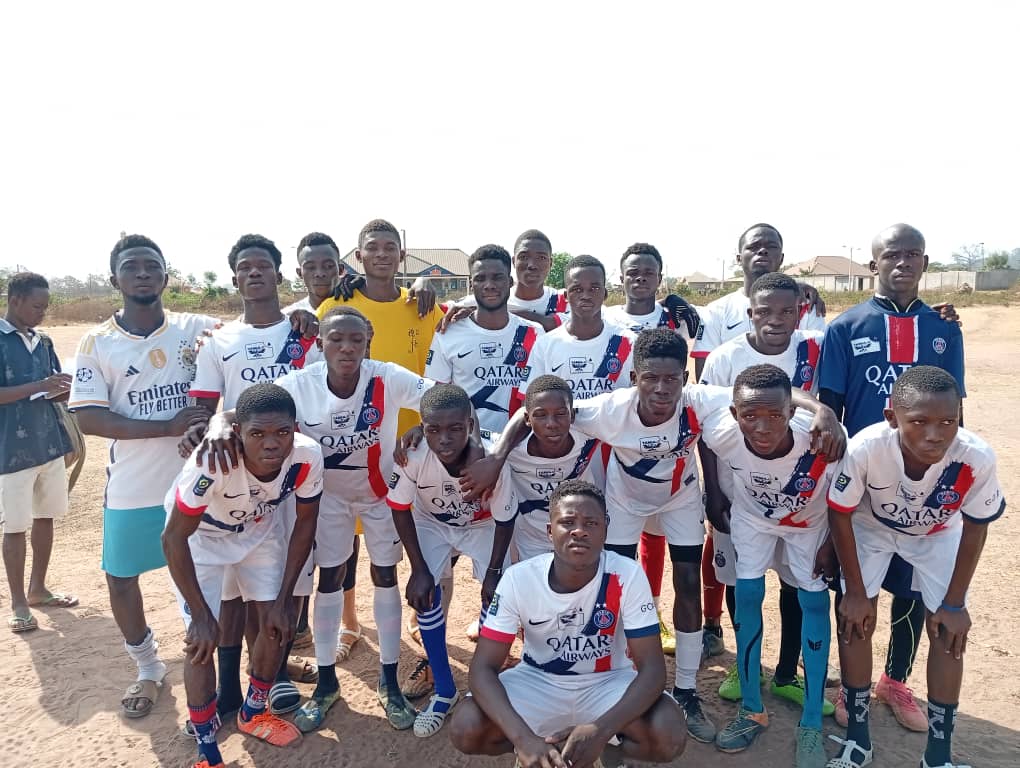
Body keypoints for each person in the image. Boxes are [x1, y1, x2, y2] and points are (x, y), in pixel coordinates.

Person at [477, 328, 845, 744]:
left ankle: (686, 690)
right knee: (613, 591)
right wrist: (497, 457)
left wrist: (822, 410)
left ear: (685, 378)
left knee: (687, 582)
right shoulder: (610, 410)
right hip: (624, 502)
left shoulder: (698, 400)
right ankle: (619, 681)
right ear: (634, 378)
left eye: (671, 379)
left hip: (679, 497)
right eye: (650, 378)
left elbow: (764, 389)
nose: (661, 388)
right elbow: (539, 410)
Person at [818, 223, 966, 733]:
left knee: (912, 587)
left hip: (923, 481)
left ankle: (895, 681)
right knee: (856, 586)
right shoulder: (846, 327)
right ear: (874, 264)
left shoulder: (944, 329)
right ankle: (852, 682)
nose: (902, 263)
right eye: (892, 255)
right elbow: (830, 412)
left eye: (913, 254)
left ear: (925, 262)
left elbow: (956, 412)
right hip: (861, 481)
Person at [69, 235, 217, 718]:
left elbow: (255, 334)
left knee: (215, 578)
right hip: (134, 485)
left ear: (165, 276)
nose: (143, 273)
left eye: (152, 265)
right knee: (121, 579)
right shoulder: (96, 342)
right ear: (115, 278)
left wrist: (301, 319)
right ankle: (149, 667)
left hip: (198, 481)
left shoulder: (197, 328)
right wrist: (167, 427)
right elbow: (89, 418)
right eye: (131, 266)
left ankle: (226, 665)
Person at [826, 366, 1003, 768]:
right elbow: (840, 513)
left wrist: (954, 604)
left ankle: (938, 757)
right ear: (892, 418)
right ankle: (858, 741)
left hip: (937, 533)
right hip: (872, 526)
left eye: (948, 422)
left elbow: (976, 526)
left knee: (948, 631)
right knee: (855, 620)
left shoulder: (975, 457)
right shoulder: (867, 448)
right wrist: (856, 593)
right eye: (920, 422)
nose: (935, 434)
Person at [450, 479, 687, 768]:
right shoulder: (519, 579)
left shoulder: (627, 574)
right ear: (550, 531)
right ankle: (540, 748)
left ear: (605, 530)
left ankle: (605, 750)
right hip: (538, 680)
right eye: (567, 522)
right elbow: (482, 669)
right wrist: (523, 739)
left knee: (668, 733)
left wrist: (602, 730)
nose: (579, 531)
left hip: (607, 682)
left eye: (591, 523)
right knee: (466, 728)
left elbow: (653, 670)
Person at [275, 306, 432, 730]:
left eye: (356, 340)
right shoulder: (298, 385)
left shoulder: (387, 377)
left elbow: (444, 398)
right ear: (319, 343)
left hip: (380, 496)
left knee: (385, 576)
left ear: (368, 343)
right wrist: (220, 426)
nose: (347, 348)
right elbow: (250, 409)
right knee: (330, 578)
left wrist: (424, 425)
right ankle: (326, 683)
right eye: (336, 339)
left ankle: (389, 681)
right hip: (328, 499)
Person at [186, 233, 320, 719]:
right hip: (239, 477)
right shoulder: (218, 340)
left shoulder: (306, 332)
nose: (254, 272)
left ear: (280, 275)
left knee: (283, 584)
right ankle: (227, 687)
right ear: (234, 277)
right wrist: (211, 428)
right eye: (244, 267)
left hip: (294, 469)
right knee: (232, 591)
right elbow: (203, 410)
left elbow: (324, 389)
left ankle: (274, 675)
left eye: (263, 265)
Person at [163, 383, 323, 768]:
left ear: (295, 428)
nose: (272, 444)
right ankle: (208, 751)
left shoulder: (307, 455)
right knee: (202, 641)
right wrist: (201, 617)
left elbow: (305, 524)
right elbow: (173, 538)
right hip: (200, 539)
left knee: (276, 624)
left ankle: (253, 713)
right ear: (238, 433)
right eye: (257, 434)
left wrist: (285, 601)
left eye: (282, 432)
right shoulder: (211, 462)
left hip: (257, 531)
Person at [700, 272, 832, 716]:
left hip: (802, 489)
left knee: (797, 586)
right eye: (765, 311)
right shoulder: (725, 357)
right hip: (740, 492)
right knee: (741, 580)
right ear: (749, 313)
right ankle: (746, 669)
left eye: (787, 311)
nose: (776, 320)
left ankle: (788, 672)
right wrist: (714, 492)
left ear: (801, 311)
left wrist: (822, 411)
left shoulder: (816, 346)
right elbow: (709, 421)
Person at [314, 219, 445, 660]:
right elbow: (310, 340)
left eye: (391, 247)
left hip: (411, 442)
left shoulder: (420, 304)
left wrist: (437, 293)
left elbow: (448, 341)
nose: (383, 254)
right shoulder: (338, 303)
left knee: (414, 530)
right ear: (359, 256)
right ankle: (349, 620)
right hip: (351, 443)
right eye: (374, 247)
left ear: (402, 256)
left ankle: (418, 613)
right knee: (346, 539)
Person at [699, 365, 840, 767]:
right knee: (747, 596)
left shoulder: (821, 440)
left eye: (775, 415)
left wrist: (831, 542)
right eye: (750, 416)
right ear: (734, 414)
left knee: (814, 603)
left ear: (792, 412)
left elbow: (846, 490)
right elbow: (706, 441)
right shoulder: (723, 432)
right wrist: (714, 493)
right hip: (754, 520)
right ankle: (751, 709)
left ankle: (810, 723)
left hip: (808, 526)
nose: (762, 428)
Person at [386, 383, 513, 738]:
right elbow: (399, 508)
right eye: (433, 429)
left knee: (499, 595)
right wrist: (418, 569)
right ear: (422, 427)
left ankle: (482, 687)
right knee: (425, 594)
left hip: (483, 525)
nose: (444, 439)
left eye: (455, 428)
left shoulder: (491, 456)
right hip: (432, 523)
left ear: (470, 425)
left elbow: (505, 519)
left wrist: (494, 572)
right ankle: (444, 690)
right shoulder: (412, 455)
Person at [602, 241, 703, 656]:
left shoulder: (677, 318)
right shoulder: (607, 317)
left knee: (663, 536)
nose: (640, 278)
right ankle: (624, 646)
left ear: (660, 278)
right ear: (620, 277)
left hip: (667, 437)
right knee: (620, 554)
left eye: (649, 272)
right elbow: (553, 305)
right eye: (633, 272)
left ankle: (658, 613)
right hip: (618, 431)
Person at [1, 272, 76, 634]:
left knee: (45, 517)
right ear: (14, 300)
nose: (42, 313)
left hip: (48, 444)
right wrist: (40, 385)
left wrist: (66, 389)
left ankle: (38, 589)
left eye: (45, 307)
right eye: (36, 306)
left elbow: (52, 386)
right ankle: (18, 603)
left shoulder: (43, 341)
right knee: (15, 526)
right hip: (10, 452)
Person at [425, 244, 543, 434]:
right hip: (468, 445)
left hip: (521, 444)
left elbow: (542, 397)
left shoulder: (534, 333)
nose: (489, 285)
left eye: (497, 277)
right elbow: (435, 399)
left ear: (510, 282)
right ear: (471, 285)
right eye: (480, 278)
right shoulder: (448, 333)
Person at [489, 375, 600, 563]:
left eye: (560, 414)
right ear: (527, 419)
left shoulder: (588, 436)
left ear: (572, 415)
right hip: (530, 538)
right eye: (540, 415)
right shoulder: (511, 448)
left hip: (580, 535)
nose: (551, 423)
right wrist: (491, 461)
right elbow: (470, 435)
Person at [449, 229, 567, 331]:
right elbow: (442, 310)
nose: (532, 265)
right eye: (524, 257)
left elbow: (550, 323)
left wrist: (481, 313)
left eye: (541, 258)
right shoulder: (486, 297)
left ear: (551, 263)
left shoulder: (564, 300)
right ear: (514, 261)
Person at [282, 231, 344, 314]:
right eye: (311, 267)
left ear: (340, 270)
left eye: (328, 266)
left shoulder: (357, 308)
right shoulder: (290, 317)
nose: (320, 274)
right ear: (300, 273)